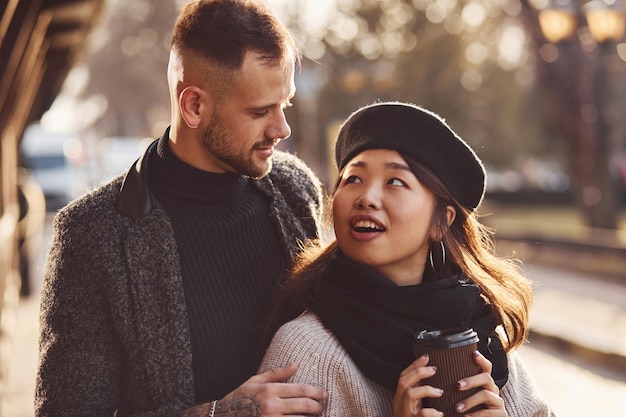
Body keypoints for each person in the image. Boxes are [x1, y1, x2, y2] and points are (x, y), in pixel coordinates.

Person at [35, 1, 328, 416]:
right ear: (193, 106)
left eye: (286, 105)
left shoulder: (296, 189)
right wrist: (222, 413)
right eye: (261, 111)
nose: (282, 129)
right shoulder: (92, 235)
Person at [259, 102, 555, 416]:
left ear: (442, 221)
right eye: (353, 179)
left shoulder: (477, 334)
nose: (366, 198)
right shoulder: (305, 350)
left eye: (395, 182)